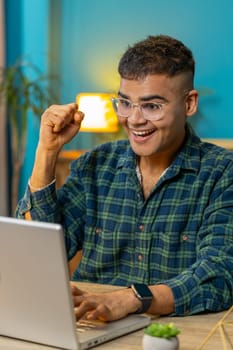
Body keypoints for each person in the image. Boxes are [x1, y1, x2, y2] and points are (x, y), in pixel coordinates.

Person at [16, 35, 233, 322]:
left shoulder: (222, 173)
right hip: (89, 323)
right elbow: (35, 256)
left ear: (189, 104)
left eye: (152, 106)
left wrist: (132, 298)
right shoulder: (94, 165)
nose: (134, 120)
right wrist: (47, 151)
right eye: (125, 103)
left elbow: (219, 275)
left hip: (172, 332)